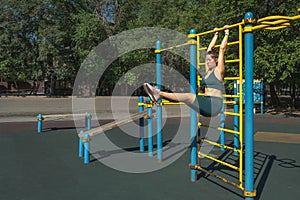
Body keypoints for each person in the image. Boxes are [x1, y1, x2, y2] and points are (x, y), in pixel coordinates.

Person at [144, 26, 229, 117]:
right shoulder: (208, 71)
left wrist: (226, 33)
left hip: (214, 105)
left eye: (209, 60)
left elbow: (222, 49)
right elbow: (209, 49)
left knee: (189, 97)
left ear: (216, 60)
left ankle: (159, 94)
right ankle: (159, 95)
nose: (207, 62)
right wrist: (215, 35)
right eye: (207, 60)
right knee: (185, 99)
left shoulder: (219, 71)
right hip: (206, 102)